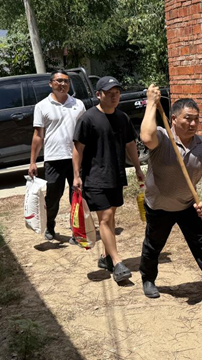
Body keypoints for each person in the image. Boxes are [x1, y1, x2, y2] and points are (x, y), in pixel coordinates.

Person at [138, 84, 202, 299]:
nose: (193, 124)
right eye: (187, 118)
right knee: (154, 244)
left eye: (196, 119)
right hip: (159, 206)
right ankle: (148, 279)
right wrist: (151, 103)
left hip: (188, 204)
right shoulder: (162, 137)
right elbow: (146, 137)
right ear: (174, 119)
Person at [72, 76, 145, 284]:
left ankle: (105, 257)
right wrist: (76, 175)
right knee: (104, 217)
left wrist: (138, 168)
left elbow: (130, 144)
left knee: (111, 217)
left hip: (116, 175)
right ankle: (117, 261)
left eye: (117, 93)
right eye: (109, 93)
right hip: (94, 177)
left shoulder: (122, 117)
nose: (114, 97)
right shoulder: (88, 118)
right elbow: (77, 149)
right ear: (98, 95)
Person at [29, 70, 85, 241]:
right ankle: (50, 225)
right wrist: (32, 162)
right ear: (51, 83)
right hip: (54, 158)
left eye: (66, 81)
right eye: (59, 81)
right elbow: (38, 136)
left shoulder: (78, 104)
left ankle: (76, 231)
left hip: (75, 158)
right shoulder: (41, 106)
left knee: (76, 196)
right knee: (53, 196)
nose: (62, 84)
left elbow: (85, 132)